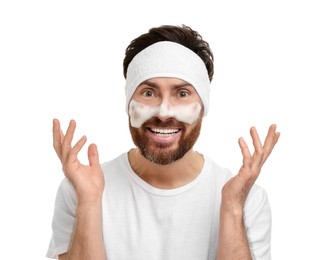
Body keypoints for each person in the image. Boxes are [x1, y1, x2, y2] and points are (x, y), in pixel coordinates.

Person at [46, 24, 280, 260]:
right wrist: (88, 204)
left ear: (203, 107)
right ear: (129, 103)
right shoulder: (82, 189)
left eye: (182, 94)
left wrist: (232, 207)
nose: (164, 112)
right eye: (149, 93)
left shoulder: (246, 198)